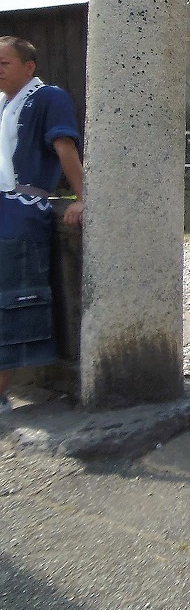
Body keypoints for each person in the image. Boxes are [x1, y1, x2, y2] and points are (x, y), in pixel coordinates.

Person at [0, 36, 84, 413]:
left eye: (4, 63)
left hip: (21, 208)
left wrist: (84, 197)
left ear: (28, 66)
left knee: (11, 302)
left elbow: (64, 145)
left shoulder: (48, 97)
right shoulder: (2, 104)